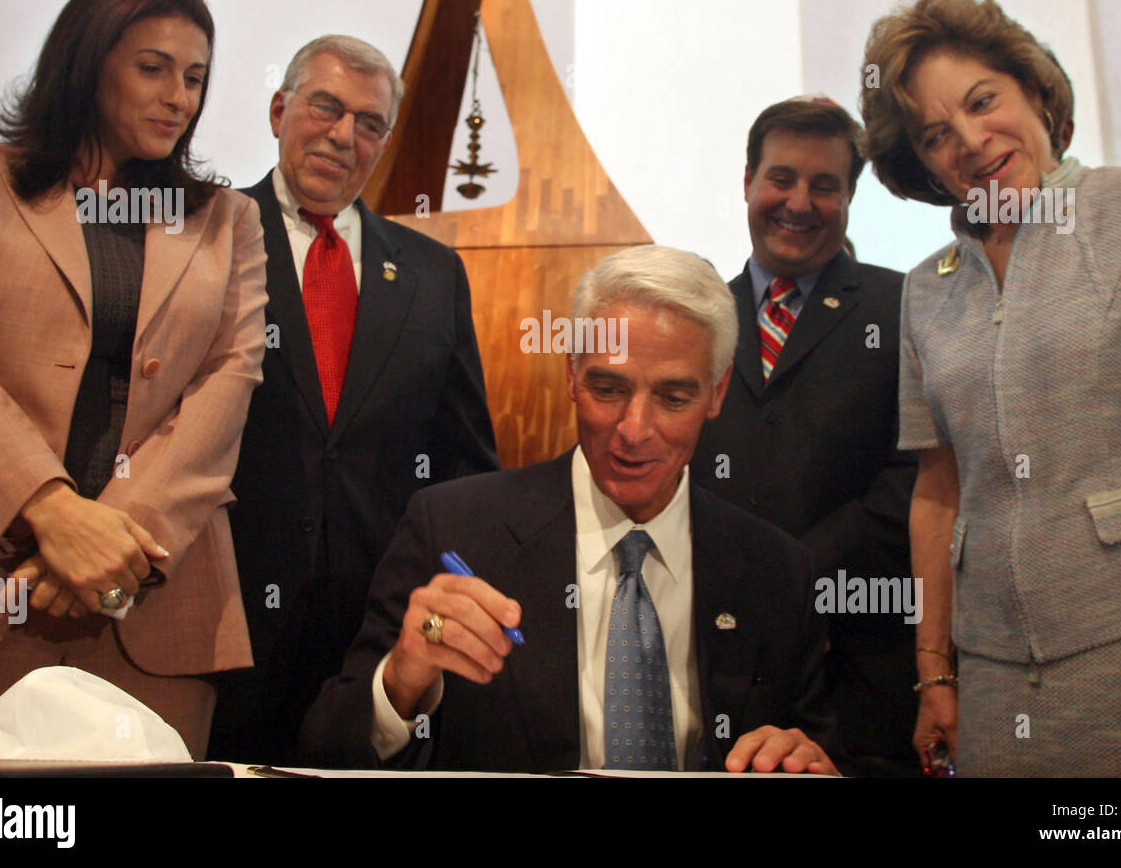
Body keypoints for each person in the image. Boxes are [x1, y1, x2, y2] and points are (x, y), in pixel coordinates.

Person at [859, 0, 1121, 776]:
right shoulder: (927, 287)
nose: (970, 140)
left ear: (1034, 88)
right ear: (919, 164)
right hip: (994, 679)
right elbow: (937, 491)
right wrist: (935, 671)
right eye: (934, 135)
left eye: (982, 101)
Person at [299, 245, 837, 774]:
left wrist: (805, 760)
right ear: (571, 376)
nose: (634, 430)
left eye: (673, 398)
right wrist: (402, 682)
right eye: (608, 388)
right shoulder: (455, 529)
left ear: (717, 393)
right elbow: (327, 748)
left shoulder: (779, 572)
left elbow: (816, 746)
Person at [0, 0, 267, 760]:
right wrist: (50, 511)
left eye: (195, 77)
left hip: (154, 608)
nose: (178, 96)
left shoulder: (228, 220)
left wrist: (113, 544)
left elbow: (228, 384)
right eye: (152, 68)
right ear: (86, 63)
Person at [208, 35, 499, 764]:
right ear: (280, 110)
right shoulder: (204, 235)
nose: (344, 136)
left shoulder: (434, 274)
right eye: (326, 108)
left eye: (368, 123)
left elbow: (466, 466)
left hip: (374, 640)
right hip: (218, 622)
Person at [691, 96, 919, 776]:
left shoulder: (905, 306)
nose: (799, 201)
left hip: (862, 671)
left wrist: (792, 576)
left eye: (825, 185)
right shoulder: (696, 318)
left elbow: (920, 477)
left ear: (851, 197)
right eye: (781, 178)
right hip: (716, 658)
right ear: (748, 185)